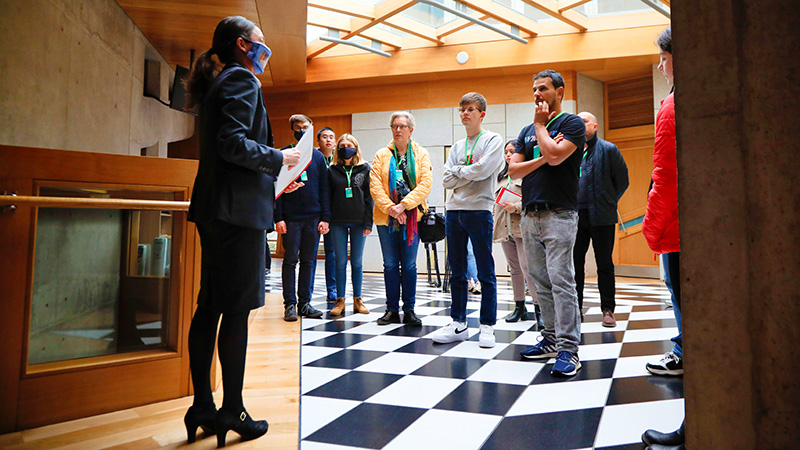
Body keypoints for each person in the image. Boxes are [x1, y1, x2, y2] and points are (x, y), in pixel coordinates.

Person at [183, 15, 301, 447]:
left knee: (210, 306)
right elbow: (232, 144)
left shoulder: (220, 82)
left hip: (218, 210)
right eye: (260, 42)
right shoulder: (241, 80)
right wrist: (279, 158)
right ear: (242, 44)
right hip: (237, 216)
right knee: (235, 311)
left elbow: (226, 150)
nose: (266, 50)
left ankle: (202, 407)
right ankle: (232, 410)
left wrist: (274, 171)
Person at [509, 70, 586, 377]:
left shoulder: (572, 124)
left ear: (560, 91)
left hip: (560, 214)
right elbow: (514, 170)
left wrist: (541, 128)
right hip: (530, 214)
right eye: (534, 89)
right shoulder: (527, 130)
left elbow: (556, 157)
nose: (537, 94)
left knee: (561, 281)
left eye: (543, 88)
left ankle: (569, 349)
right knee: (540, 281)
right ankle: (551, 340)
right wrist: (541, 155)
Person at [640, 25, 685, 450]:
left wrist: (651, 230)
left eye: (664, 58)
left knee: (686, 307)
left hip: (680, 233)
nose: (660, 66)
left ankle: (694, 430)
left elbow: (665, 177)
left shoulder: (672, 106)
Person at [433, 92, 504, 348]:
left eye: (470, 109)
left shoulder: (493, 140)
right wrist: (469, 171)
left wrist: (459, 171)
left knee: (485, 271)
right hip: (454, 211)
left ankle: (487, 325)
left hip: (479, 210)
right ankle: (458, 323)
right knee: (458, 271)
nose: (465, 113)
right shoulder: (456, 147)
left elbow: (484, 170)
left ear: (482, 114)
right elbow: (446, 180)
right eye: (462, 109)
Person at [370, 111, 432, 327]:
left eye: (402, 126)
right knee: (389, 265)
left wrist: (404, 205)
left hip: (412, 217)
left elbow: (426, 184)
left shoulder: (421, 153)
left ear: (410, 130)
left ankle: (410, 309)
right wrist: (392, 209)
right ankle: (391, 310)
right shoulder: (381, 154)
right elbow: (375, 186)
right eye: (394, 126)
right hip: (386, 218)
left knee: (409, 265)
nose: (398, 130)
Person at [573, 111, 629, 327]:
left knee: (604, 264)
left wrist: (608, 201)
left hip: (602, 216)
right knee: (575, 264)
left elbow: (622, 181)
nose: (580, 124)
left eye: (585, 121)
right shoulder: (571, 150)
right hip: (575, 217)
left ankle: (608, 310)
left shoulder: (608, 149)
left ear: (595, 126)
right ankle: (575, 309)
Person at [275, 114, 330, 322]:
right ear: (293, 131)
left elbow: (324, 190)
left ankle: (304, 303)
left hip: (313, 218)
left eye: (305, 127)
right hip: (290, 219)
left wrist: (325, 218)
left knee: (309, 261)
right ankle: (289, 304)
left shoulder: (318, 157)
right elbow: (277, 189)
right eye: (298, 128)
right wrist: (278, 218)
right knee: (290, 260)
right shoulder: (284, 154)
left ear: (311, 128)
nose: (302, 131)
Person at [493, 140, 543, 327]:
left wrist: (516, 207)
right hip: (505, 229)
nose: (508, 155)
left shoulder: (528, 173)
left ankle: (539, 308)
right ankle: (519, 307)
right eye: (506, 152)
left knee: (528, 268)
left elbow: (534, 199)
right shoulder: (501, 176)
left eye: (512, 151)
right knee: (514, 269)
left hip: (523, 228)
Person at [328, 134, 373, 316]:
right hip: (337, 221)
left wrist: (368, 222)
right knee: (340, 261)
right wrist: (326, 219)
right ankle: (340, 300)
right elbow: (327, 196)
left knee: (356, 262)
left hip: (359, 221)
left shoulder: (365, 168)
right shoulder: (332, 170)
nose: (346, 148)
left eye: (349, 145)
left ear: (355, 148)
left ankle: (358, 300)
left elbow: (369, 197)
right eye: (342, 145)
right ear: (338, 149)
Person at [317, 127, 338, 303]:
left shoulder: (339, 160)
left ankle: (332, 289)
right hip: (314, 210)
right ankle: (306, 291)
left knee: (332, 252)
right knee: (309, 254)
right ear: (318, 140)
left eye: (331, 137)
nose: (328, 140)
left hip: (332, 212)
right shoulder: (312, 158)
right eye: (325, 137)